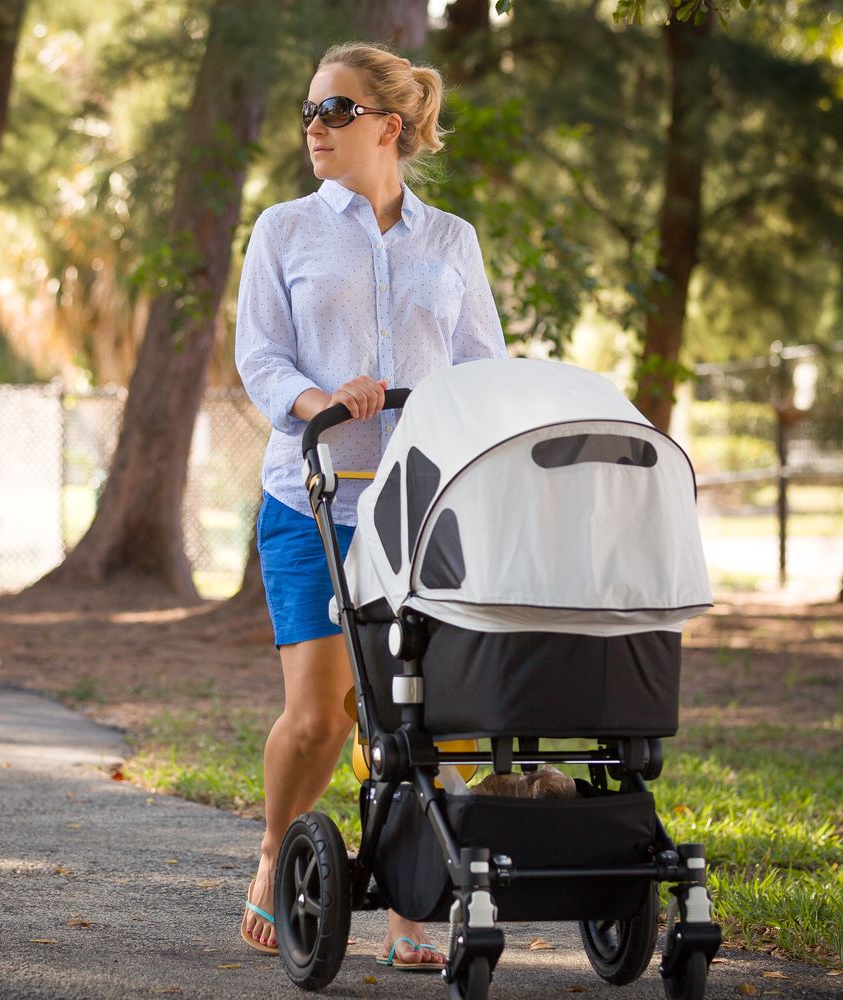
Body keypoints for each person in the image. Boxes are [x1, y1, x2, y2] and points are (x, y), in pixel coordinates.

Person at [232, 41, 504, 970]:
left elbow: (482, 368)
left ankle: (408, 907)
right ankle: (279, 851)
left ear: (389, 127)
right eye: (309, 110)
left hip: (422, 509)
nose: (315, 126)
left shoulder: (451, 240)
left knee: (428, 713)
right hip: (312, 500)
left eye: (336, 111)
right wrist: (319, 403)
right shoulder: (284, 230)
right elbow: (261, 358)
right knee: (322, 716)